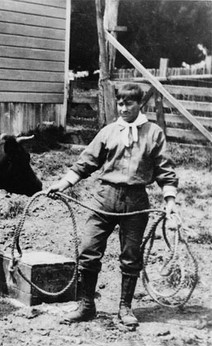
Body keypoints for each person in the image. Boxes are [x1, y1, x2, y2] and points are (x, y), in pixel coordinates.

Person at [45, 83, 178, 327]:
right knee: (88, 249)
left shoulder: (153, 133)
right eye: (120, 103)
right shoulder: (108, 132)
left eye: (129, 103)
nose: (123, 108)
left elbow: (165, 171)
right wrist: (62, 184)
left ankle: (125, 308)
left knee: (131, 255)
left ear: (140, 105)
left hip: (136, 202)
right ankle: (86, 305)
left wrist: (169, 202)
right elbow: (86, 163)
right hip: (104, 198)